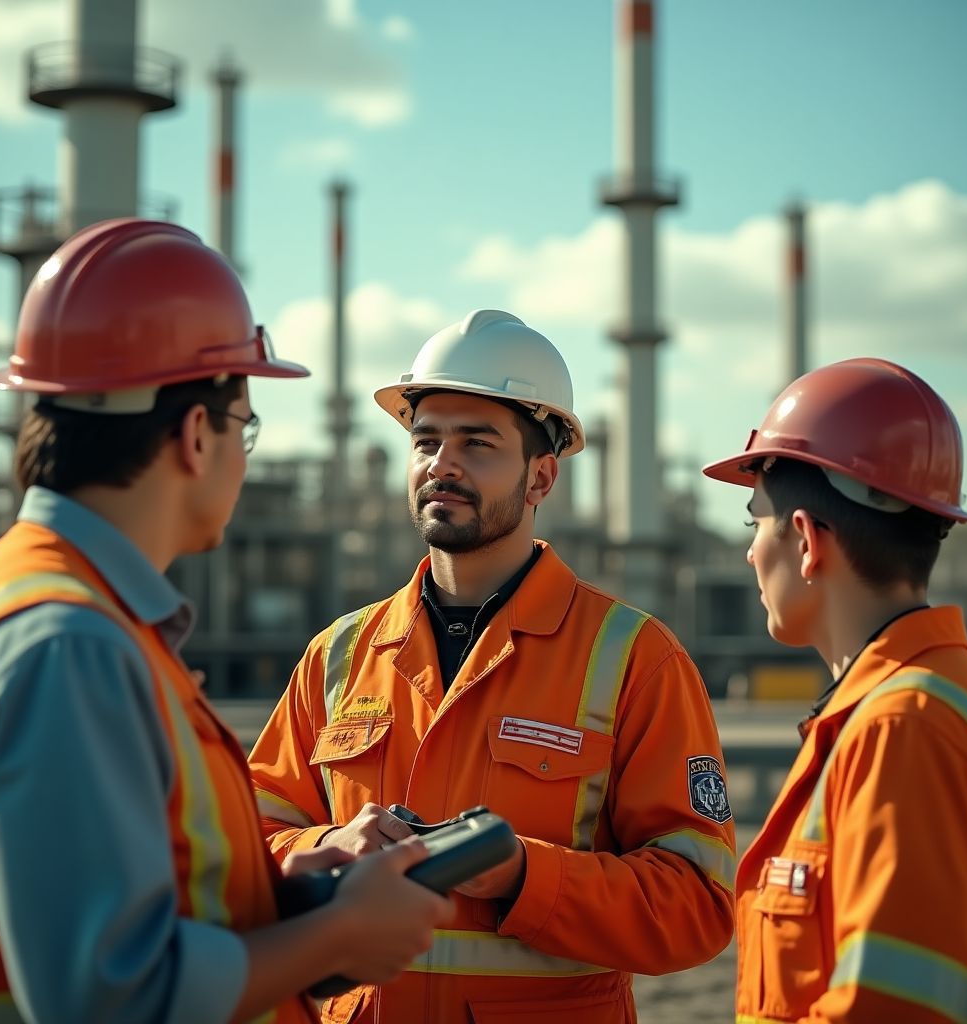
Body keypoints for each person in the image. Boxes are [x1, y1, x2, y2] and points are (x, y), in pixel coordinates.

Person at [0, 219, 451, 1024]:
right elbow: (107, 998)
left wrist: (291, 897)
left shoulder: (47, 605)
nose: (245, 455)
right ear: (197, 435)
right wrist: (338, 936)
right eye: (246, 427)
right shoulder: (70, 645)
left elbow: (148, 907)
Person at [248, 309, 736, 1024]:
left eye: (477, 444)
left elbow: (696, 904)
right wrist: (328, 842)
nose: (442, 464)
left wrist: (521, 875)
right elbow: (248, 843)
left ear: (542, 478)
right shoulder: (339, 656)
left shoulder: (635, 658)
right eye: (426, 441)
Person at [702, 357, 967, 1023]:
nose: (750, 554)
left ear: (804, 540)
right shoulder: (949, 697)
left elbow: (893, 1008)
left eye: (755, 524)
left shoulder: (903, 727)